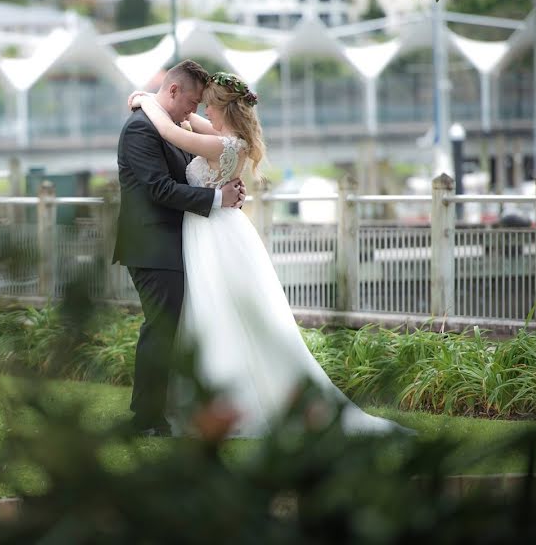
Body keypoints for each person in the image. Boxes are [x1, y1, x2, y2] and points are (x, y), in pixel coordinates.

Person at [127, 71, 408, 437]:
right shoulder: (230, 139)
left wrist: (146, 99)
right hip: (215, 230)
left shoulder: (221, 145)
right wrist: (159, 101)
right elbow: (183, 119)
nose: (203, 111)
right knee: (212, 312)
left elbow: (171, 131)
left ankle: (217, 404)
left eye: (209, 105)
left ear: (223, 109)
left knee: (216, 312)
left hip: (212, 233)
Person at [112, 60, 246, 437]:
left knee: (172, 330)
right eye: (192, 100)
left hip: (176, 244)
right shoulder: (140, 129)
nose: (195, 108)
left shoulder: (173, 127)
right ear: (173, 91)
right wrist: (217, 198)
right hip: (152, 245)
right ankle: (147, 419)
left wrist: (220, 192)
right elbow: (159, 189)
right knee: (160, 329)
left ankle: (168, 411)